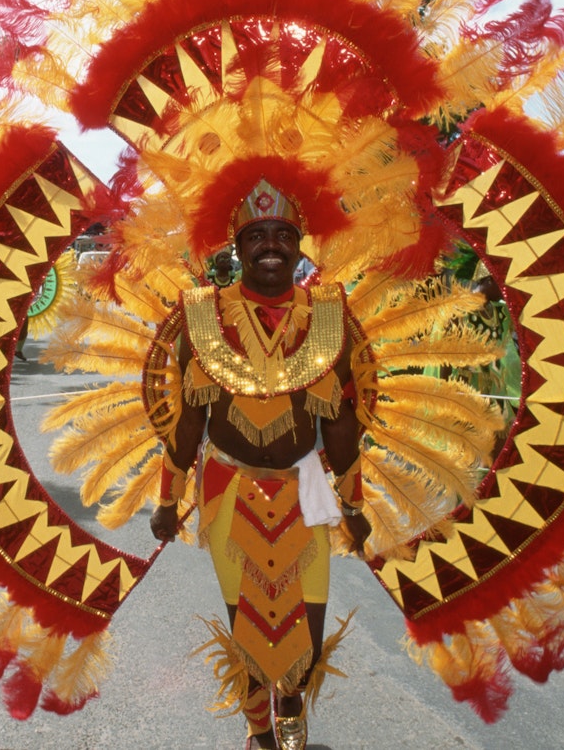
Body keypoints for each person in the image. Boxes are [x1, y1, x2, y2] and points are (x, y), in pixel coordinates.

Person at [150, 180, 369, 750]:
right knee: (250, 631)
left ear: (299, 247)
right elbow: (189, 423)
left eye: (282, 235)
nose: (269, 245)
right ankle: (261, 737)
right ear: (236, 248)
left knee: (306, 637)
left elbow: (343, 422)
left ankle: (291, 722)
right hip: (228, 493)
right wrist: (168, 500)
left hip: (305, 490)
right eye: (256, 236)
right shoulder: (201, 319)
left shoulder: (330, 315)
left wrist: (355, 504)